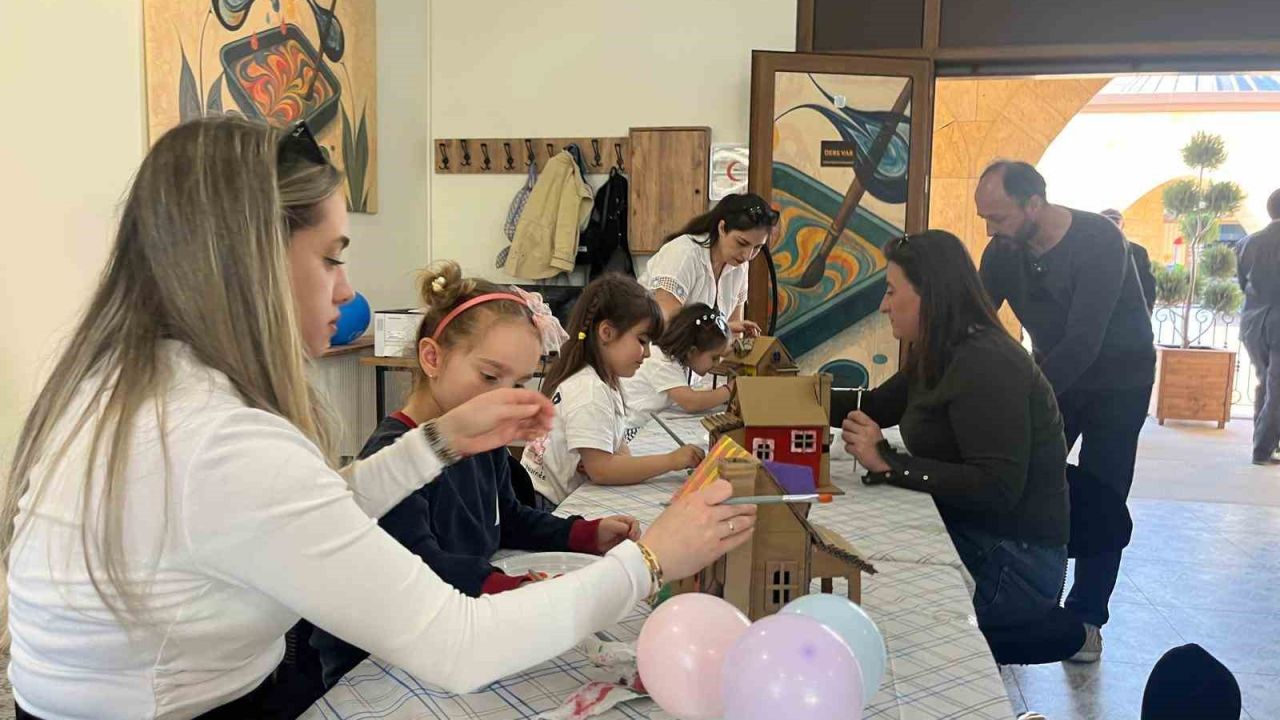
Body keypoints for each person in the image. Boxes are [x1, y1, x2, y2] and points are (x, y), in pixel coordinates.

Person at [1, 116, 757, 720]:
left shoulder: (130, 388)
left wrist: (442, 440)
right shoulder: (216, 439)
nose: (345, 290)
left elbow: (308, 516)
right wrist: (651, 560)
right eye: (331, 258)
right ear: (253, 259)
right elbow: (458, 646)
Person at [305, 261, 643, 689]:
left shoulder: (484, 439)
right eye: (489, 376)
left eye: (519, 383)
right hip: (376, 664)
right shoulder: (394, 459)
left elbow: (510, 518)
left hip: (455, 623)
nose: (504, 397)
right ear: (432, 358)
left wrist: (584, 535)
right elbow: (425, 567)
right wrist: (512, 589)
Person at [834, 230, 1085, 665]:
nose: (884, 305)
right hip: (985, 539)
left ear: (929, 294)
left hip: (1016, 568)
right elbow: (874, 405)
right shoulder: (941, 350)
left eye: (892, 291)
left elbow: (997, 486)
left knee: (873, 605)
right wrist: (772, 396)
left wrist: (889, 462)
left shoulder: (985, 362)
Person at [977, 161, 1155, 663]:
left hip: (1119, 382)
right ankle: (1022, 596)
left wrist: (1027, 400)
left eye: (999, 217)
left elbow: (1084, 341)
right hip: (1056, 371)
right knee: (1028, 477)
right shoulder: (1003, 251)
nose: (991, 230)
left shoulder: (1099, 240)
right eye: (984, 218)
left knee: (1101, 493)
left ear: (1034, 204)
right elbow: (973, 320)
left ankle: (1086, 618)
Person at [522, 275, 706, 507]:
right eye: (642, 341)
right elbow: (602, 470)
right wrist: (671, 461)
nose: (647, 354)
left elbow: (617, 452)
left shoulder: (604, 381)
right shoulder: (589, 390)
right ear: (606, 333)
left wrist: (610, 461)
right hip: (544, 506)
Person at [640, 192, 778, 337]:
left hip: (697, 358)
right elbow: (666, 325)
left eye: (757, 248)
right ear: (722, 228)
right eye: (741, 243)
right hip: (652, 353)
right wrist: (720, 329)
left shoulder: (739, 267)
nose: (747, 256)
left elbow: (735, 332)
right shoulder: (684, 253)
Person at [621, 302, 734, 434]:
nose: (717, 364)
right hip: (633, 432)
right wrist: (731, 389)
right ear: (692, 352)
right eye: (715, 358)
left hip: (650, 425)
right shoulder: (661, 361)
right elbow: (691, 402)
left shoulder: (677, 357)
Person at [1236, 189, 1280, 465]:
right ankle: (1262, 449)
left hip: (1253, 320)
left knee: (1267, 382)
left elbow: (1243, 283)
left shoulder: (1246, 242)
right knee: (1275, 387)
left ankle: (1262, 444)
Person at [1101, 208, 1156, 315]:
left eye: (1115, 222)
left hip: (1129, 314)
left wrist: (1147, 311)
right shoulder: (1089, 251)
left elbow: (1148, 285)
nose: (1112, 226)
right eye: (1107, 222)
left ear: (1122, 226)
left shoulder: (1138, 252)